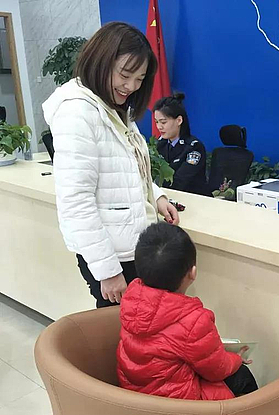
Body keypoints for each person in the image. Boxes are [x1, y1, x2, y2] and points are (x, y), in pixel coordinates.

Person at [42, 22, 180, 308]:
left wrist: (156, 196)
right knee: (118, 327)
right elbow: (76, 201)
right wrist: (107, 271)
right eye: (125, 75)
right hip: (111, 255)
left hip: (131, 245)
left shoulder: (113, 107)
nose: (131, 87)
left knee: (139, 326)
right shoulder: (77, 112)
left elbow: (127, 170)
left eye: (140, 78)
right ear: (100, 61)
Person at [117, 222, 258, 400]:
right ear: (193, 273)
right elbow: (217, 370)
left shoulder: (131, 300)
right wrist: (235, 358)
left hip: (135, 395)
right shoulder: (194, 321)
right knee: (242, 376)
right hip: (177, 402)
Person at [154, 93, 210, 196]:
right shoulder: (160, 144)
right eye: (156, 122)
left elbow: (179, 182)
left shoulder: (194, 147)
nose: (159, 127)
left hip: (193, 199)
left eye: (163, 122)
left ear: (179, 120)